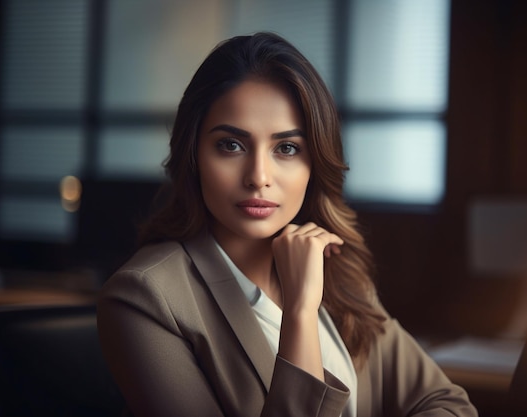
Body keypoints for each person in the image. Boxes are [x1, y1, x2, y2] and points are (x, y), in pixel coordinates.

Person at [97, 32, 478, 417]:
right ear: (193, 155)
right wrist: (299, 312)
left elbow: (446, 404)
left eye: (287, 148)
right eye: (231, 145)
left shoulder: (336, 269)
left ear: (314, 164)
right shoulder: (146, 297)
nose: (259, 176)